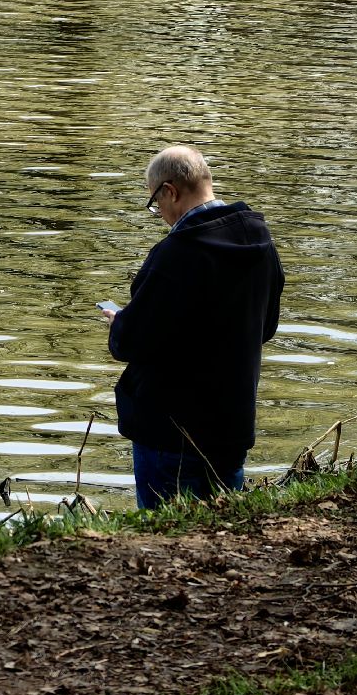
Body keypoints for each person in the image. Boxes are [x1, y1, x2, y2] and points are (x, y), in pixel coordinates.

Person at [101, 146, 284, 509]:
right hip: (231, 425)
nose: (159, 215)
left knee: (162, 535)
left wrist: (120, 323)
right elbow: (265, 327)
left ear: (170, 191)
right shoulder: (260, 244)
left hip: (170, 430)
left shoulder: (175, 254)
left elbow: (130, 343)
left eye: (155, 204)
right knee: (223, 530)